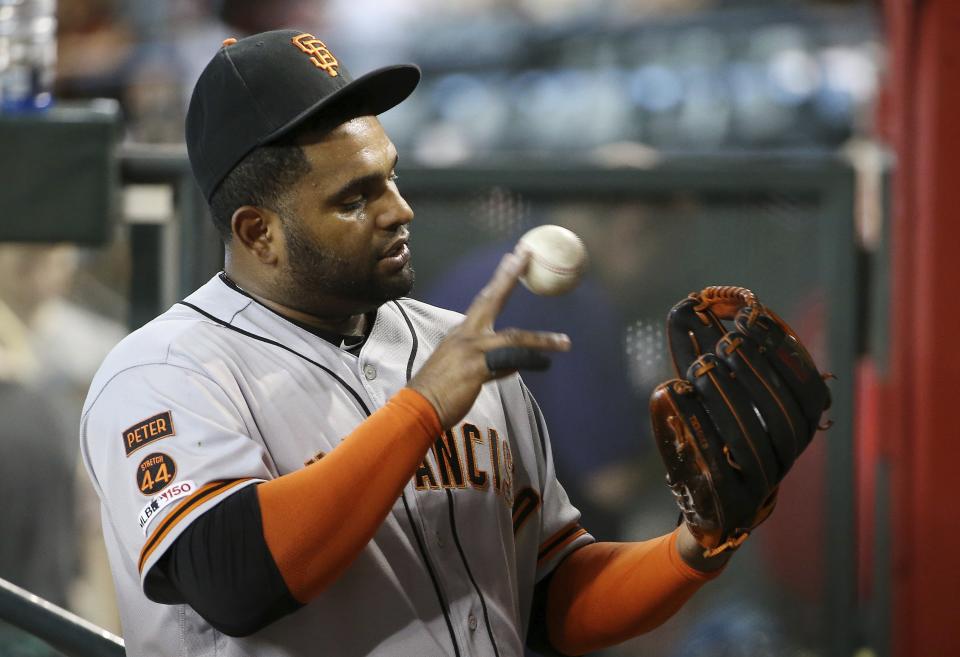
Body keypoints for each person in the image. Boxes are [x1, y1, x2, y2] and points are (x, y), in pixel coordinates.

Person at [80, 29, 729, 657]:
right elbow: (233, 579)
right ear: (259, 234)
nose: (399, 208)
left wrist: (695, 546)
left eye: (391, 176)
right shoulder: (162, 371)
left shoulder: (455, 344)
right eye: (356, 197)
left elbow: (551, 591)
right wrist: (420, 411)